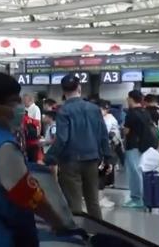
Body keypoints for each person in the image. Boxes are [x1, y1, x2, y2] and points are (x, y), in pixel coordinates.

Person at [0, 73, 68, 247]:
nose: (20, 108)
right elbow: (28, 195)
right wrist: (58, 222)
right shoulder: (2, 147)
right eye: (14, 102)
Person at [44, 75, 111, 220]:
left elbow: (62, 138)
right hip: (92, 159)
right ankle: (98, 230)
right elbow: (103, 134)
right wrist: (108, 157)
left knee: (74, 203)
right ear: (79, 88)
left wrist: (49, 157)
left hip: (70, 162)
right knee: (93, 201)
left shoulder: (63, 111)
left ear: (63, 91)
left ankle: (78, 231)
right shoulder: (94, 109)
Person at [121, 90, 156, 209]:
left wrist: (122, 130)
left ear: (131, 99)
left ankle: (137, 198)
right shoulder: (145, 112)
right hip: (145, 145)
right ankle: (145, 197)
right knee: (141, 171)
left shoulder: (131, 114)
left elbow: (126, 131)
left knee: (134, 172)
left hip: (133, 145)